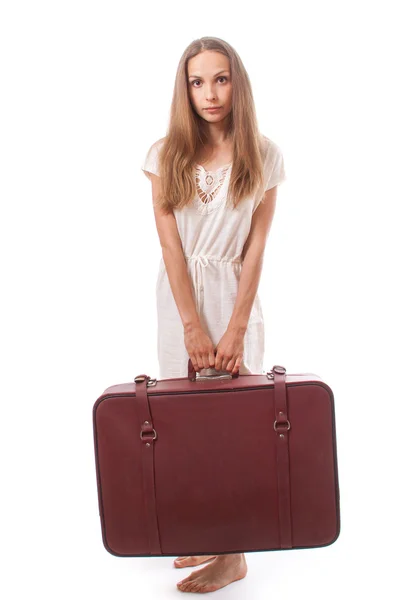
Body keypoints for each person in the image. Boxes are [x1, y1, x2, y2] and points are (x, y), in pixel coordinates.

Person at [142, 36, 286, 594]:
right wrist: (192, 326)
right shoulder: (164, 154)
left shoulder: (263, 155)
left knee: (236, 426)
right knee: (186, 426)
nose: (210, 93)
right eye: (198, 81)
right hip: (179, 302)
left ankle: (235, 552)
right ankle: (211, 530)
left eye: (221, 79)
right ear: (185, 88)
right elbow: (171, 249)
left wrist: (234, 327)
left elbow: (255, 251)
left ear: (237, 82)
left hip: (235, 297)